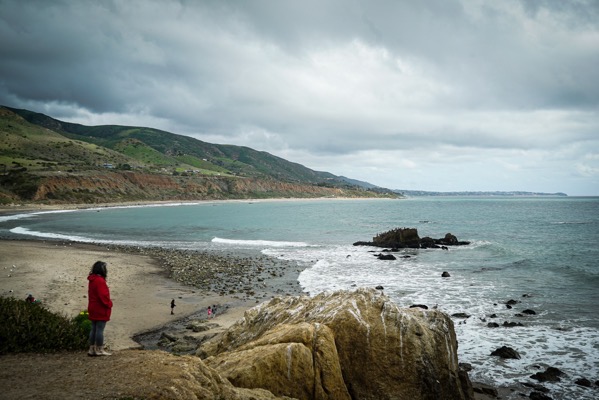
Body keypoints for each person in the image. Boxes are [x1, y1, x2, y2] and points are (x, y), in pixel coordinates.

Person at [87, 261, 113, 356]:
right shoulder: (100, 280)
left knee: (93, 329)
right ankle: (99, 349)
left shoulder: (92, 279)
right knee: (99, 329)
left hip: (93, 306)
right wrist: (109, 304)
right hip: (100, 308)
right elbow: (103, 296)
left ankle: (91, 349)